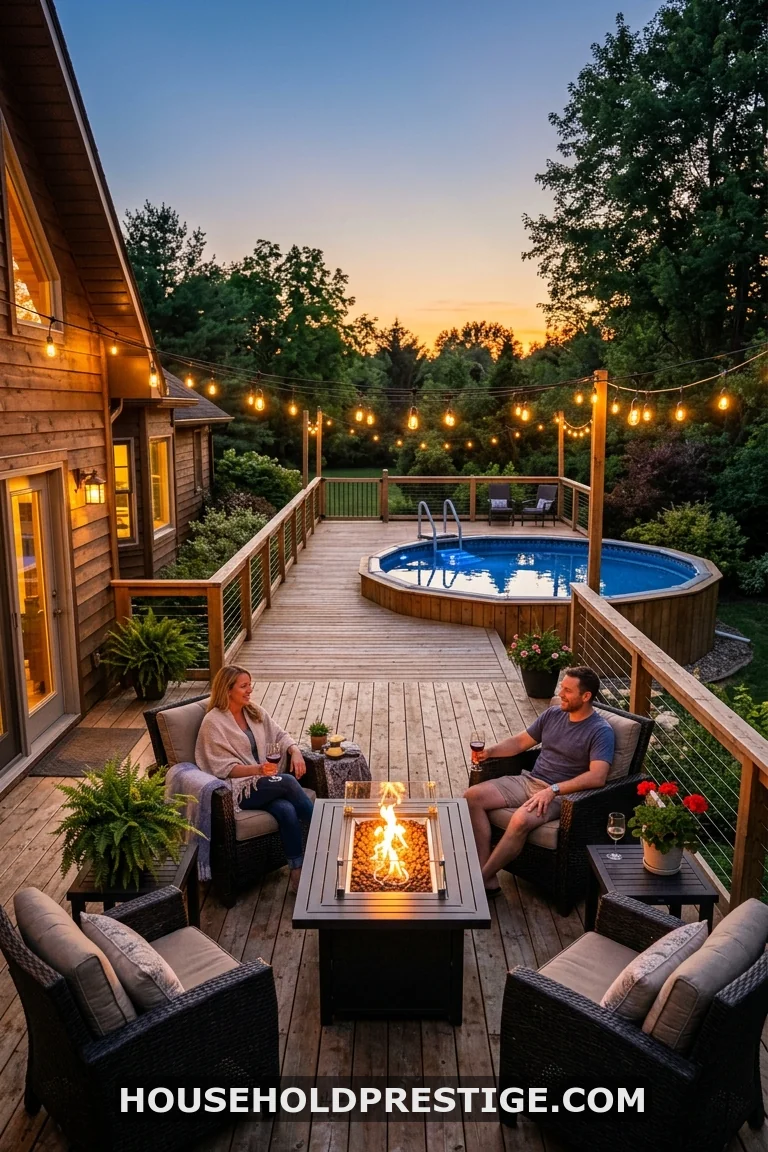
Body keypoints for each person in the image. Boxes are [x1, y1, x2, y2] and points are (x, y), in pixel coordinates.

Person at [464, 666, 614, 896]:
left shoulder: (600, 731)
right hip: (530, 780)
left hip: (562, 795)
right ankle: (487, 877)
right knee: (472, 796)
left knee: (520, 820)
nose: (560, 694)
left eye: (567, 690)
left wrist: (553, 790)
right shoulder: (553, 714)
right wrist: (490, 752)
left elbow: (598, 776)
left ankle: (478, 881)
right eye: (561, 687)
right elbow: (519, 743)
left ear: (586, 697)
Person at [195, 664, 314, 892]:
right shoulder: (213, 722)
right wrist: (257, 770)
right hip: (237, 789)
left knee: (286, 809)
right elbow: (221, 767)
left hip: (263, 783)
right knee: (288, 782)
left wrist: (295, 751)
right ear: (228, 690)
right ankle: (328, 831)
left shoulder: (253, 710)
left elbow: (279, 734)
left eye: (250, 685)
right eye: (243, 686)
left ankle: (297, 873)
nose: (249, 690)